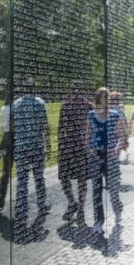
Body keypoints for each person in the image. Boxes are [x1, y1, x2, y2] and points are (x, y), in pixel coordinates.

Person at [13, 75, 52, 231]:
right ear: (34, 89)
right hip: (36, 146)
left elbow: (14, 127)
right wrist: (48, 146)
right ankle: (42, 204)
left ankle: (21, 210)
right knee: (38, 178)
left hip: (21, 146)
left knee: (22, 180)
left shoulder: (16, 105)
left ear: (23, 88)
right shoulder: (40, 103)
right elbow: (45, 127)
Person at [86, 87, 126, 235]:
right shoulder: (90, 115)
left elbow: (122, 135)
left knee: (112, 188)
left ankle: (117, 208)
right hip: (96, 156)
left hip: (110, 156)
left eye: (108, 97)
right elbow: (88, 135)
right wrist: (88, 149)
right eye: (105, 97)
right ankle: (98, 221)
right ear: (98, 99)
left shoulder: (115, 115)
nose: (108, 100)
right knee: (96, 190)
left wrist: (116, 150)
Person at [57, 82, 93, 226]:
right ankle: (73, 202)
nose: (77, 92)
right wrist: (60, 146)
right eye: (75, 90)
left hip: (80, 147)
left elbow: (92, 128)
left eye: (79, 90)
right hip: (69, 147)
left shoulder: (88, 106)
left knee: (80, 179)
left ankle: (80, 207)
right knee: (65, 177)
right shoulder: (66, 106)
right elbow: (61, 128)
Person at [0, 95, 12, 213]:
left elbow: (4, 129)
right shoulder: (15, 107)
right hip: (14, 140)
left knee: (5, 175)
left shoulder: (4, 108)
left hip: (6, 140)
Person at [109, 91, 130, 165]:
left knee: (116, 144)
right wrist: (126, 130)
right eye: (120, 98)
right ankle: (116, 159)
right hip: (119, 129)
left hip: (112, 129)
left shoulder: (110, 108)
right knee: (120, 143)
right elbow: (123, 120)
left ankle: (115, 159)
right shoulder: (119, 109)